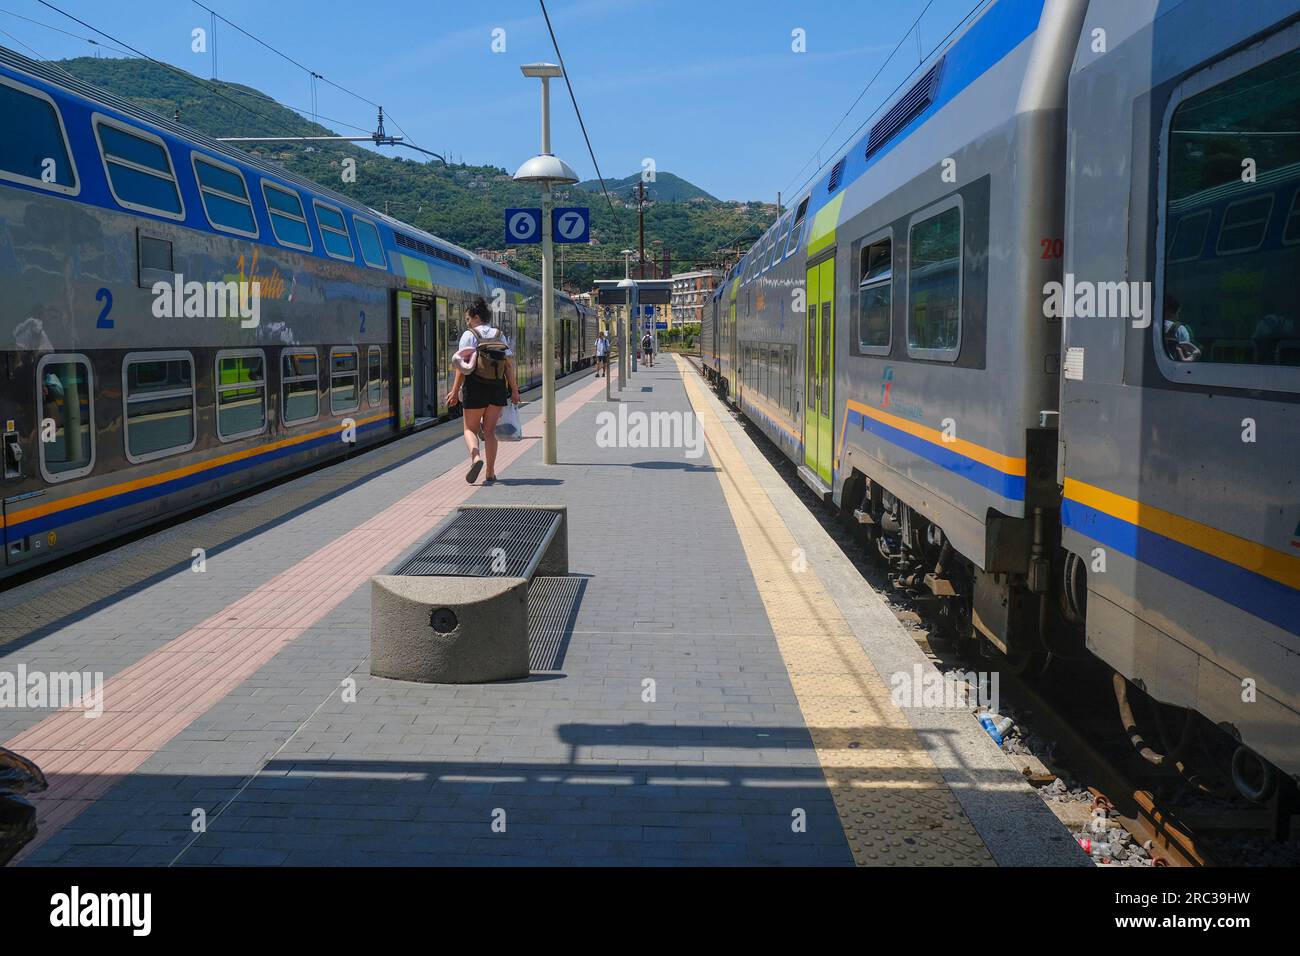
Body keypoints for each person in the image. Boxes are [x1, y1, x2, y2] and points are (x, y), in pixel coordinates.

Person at [446, 297, 520, 483]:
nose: (467, 322)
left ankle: (476, 457)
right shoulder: (499, 335)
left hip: (475, 386)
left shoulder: (469, 335)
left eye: (468, 319)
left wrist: (455, 391)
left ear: (476, 317)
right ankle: (490, 472)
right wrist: (515, 390)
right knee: (489, 431)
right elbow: (508, 365)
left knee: (470, 428)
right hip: (497, 388)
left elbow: (461, 367)